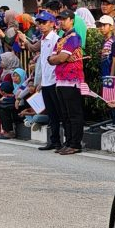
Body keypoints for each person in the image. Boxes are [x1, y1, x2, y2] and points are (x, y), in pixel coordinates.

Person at [48, 10, 85, 155]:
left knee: (74, 113)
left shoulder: (74, 37)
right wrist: (58, 58)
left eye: (64, 19)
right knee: (65, 114)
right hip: (60, 80)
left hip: (72, 80)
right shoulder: (61, 39)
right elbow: (51, 59)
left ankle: (75, 144)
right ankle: (68, 142)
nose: (61, 22)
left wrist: (58, 58)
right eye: (60, 19)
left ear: (71, 20)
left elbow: (60, 58)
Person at [33, 11, 63, 151]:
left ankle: (64, 141)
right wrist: (41, 81)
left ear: (52, 24)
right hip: (46, 81)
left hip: (55, 80)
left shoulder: (56, 39)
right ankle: (54, 141)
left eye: (44, 23)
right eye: (39, 23)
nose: (41, 25)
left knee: (59, 112)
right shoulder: (43, 39)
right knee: (51, 114)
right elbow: (43, 64)